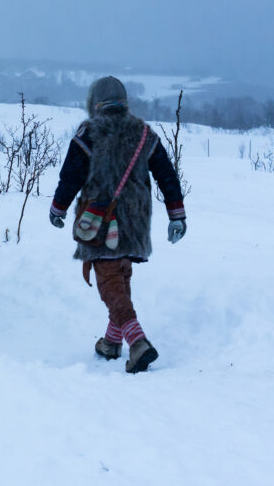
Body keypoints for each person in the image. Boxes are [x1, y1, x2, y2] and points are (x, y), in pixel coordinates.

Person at [48, 77, 186, 373]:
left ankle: (138, 343)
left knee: (109, 282)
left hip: (99, 219)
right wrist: (176, 214)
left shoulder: (88, 133)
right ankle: (111, 343)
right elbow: (167, 174)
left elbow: (70, 176)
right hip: (136, 220)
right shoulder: (144, 133)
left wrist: (58, 208)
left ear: (95, 102)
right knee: (120, 276)